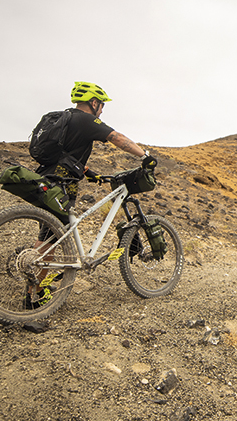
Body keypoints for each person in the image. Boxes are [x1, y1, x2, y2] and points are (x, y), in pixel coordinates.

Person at [27, 81, 151, 308]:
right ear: (93, 103)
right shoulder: (85, 119)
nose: (102, 110)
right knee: (51, 240)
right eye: (101, 105)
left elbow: (64, 153)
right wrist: (144, 156)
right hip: (63, 184)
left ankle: (38, 286)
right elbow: (118, 138)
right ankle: (34, 300)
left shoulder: (66, 119)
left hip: (48, 177)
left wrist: (87, 171)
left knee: (48, 235)